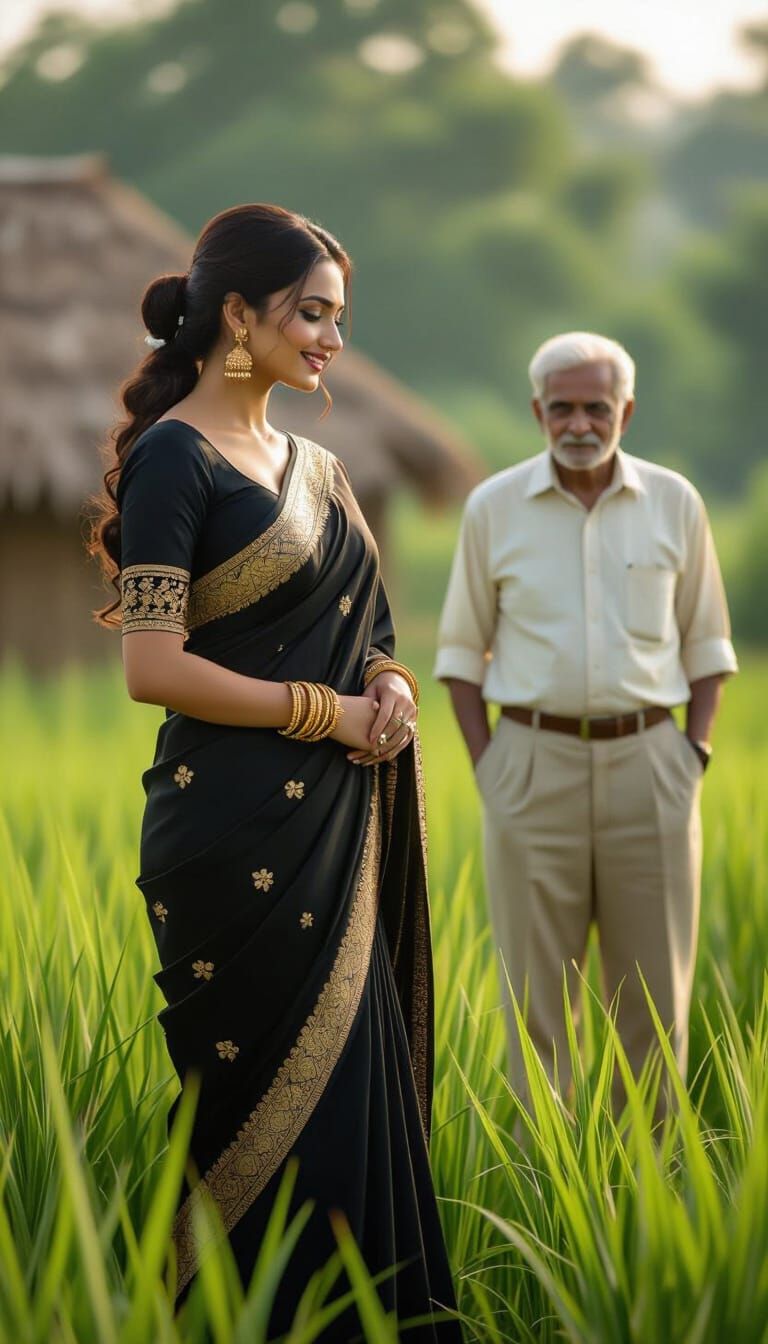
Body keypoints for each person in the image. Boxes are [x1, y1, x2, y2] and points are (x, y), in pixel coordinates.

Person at [88, 203, 462, 1339]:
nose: (333, 340)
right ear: (240, 316)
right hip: (234, 833)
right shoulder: (174, 459)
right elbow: (153, 668)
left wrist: (389, 692)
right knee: (256, 1105)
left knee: (351, 1102)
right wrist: (327, 713)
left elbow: (375, 635)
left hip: (338, 828)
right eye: (313, 315)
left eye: (339, 318)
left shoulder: (323, 469)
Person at [433, 331, 738, 1109]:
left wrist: (692, 755)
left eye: (596, 408)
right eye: (561, 408)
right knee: (536, 1008)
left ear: (625, 412)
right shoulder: (494, 508)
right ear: (537, 411)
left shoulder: (675, 502)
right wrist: (493, 770)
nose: (579, 424)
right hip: (531, 767)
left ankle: (651, 1177)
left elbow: (708, 645)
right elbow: (462, 656)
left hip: (653, 768)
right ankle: (543, 1175)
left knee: (655, 1009)